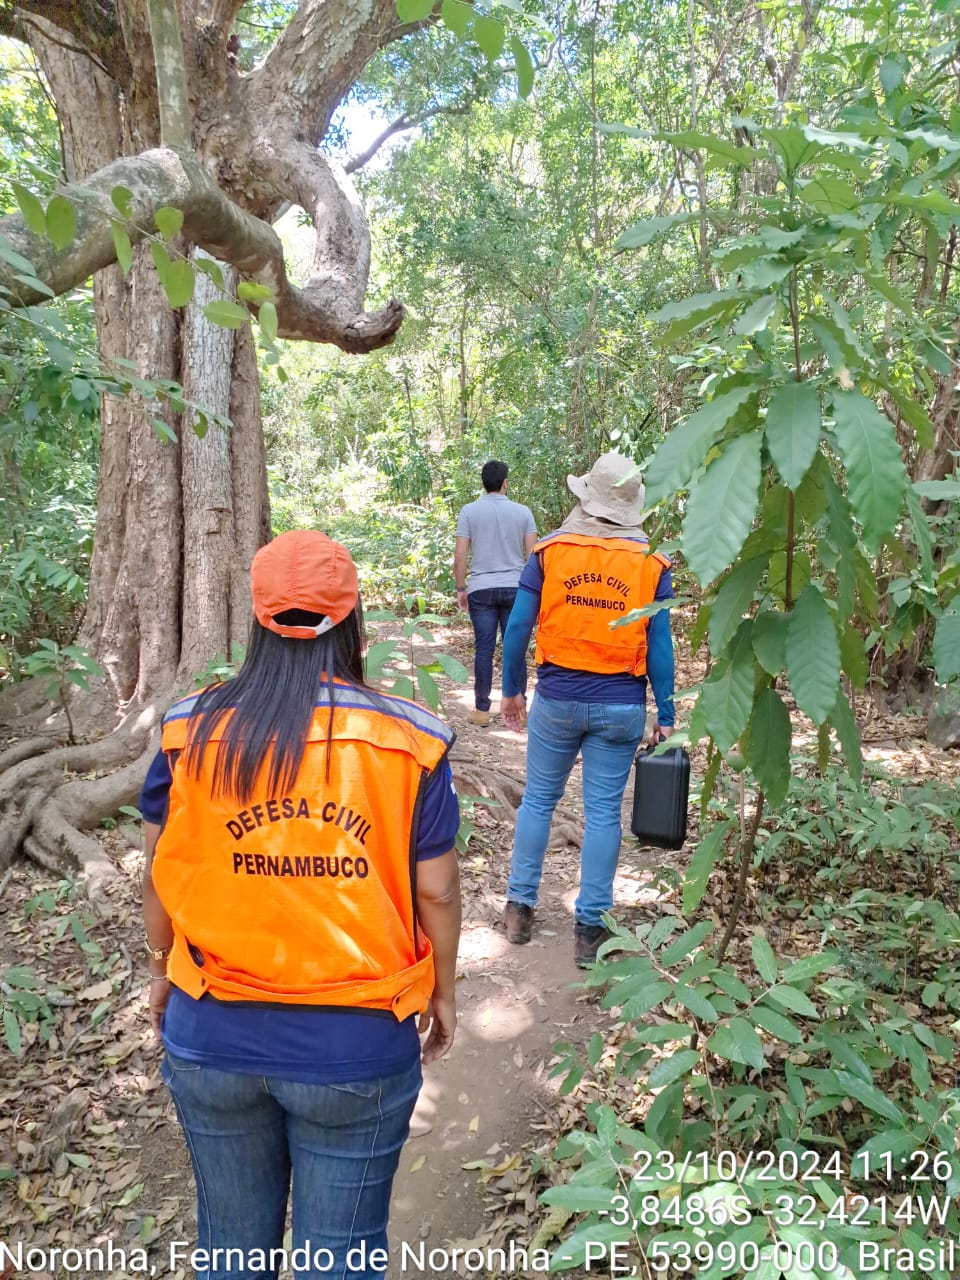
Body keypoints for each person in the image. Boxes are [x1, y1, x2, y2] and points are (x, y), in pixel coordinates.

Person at [140, 530, 461, 1280]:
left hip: (211, 1031)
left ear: (256, 619)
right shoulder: (407, 740)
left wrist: (160, 967)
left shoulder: (189, 732)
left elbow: (159, 871)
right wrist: (443, 990)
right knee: (339, 1259)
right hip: (355, 1047)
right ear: (352, 619)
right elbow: (437, 890)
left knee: (230, 1249)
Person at [498, 452, 675, 968]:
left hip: (557, 698)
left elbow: (518, 627)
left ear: (587, 497)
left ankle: (518, 909)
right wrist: (666, 712)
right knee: (602, 813)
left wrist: (511, 689)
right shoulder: (650, 563)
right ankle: (591, 929)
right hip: (621, 705)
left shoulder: (551, 552)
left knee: (538, 802)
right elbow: (659, 646)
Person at [454, 460, 537, 726]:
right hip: (516, 588)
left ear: (484, 483)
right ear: (505, 483)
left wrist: (460, 588)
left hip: (481, 588)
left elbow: (460, 554)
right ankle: (519, 708)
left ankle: (481, 710)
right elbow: (533, 556)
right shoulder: (523, 512)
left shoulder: (469, 511)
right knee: (516, 648)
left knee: (484, 649)